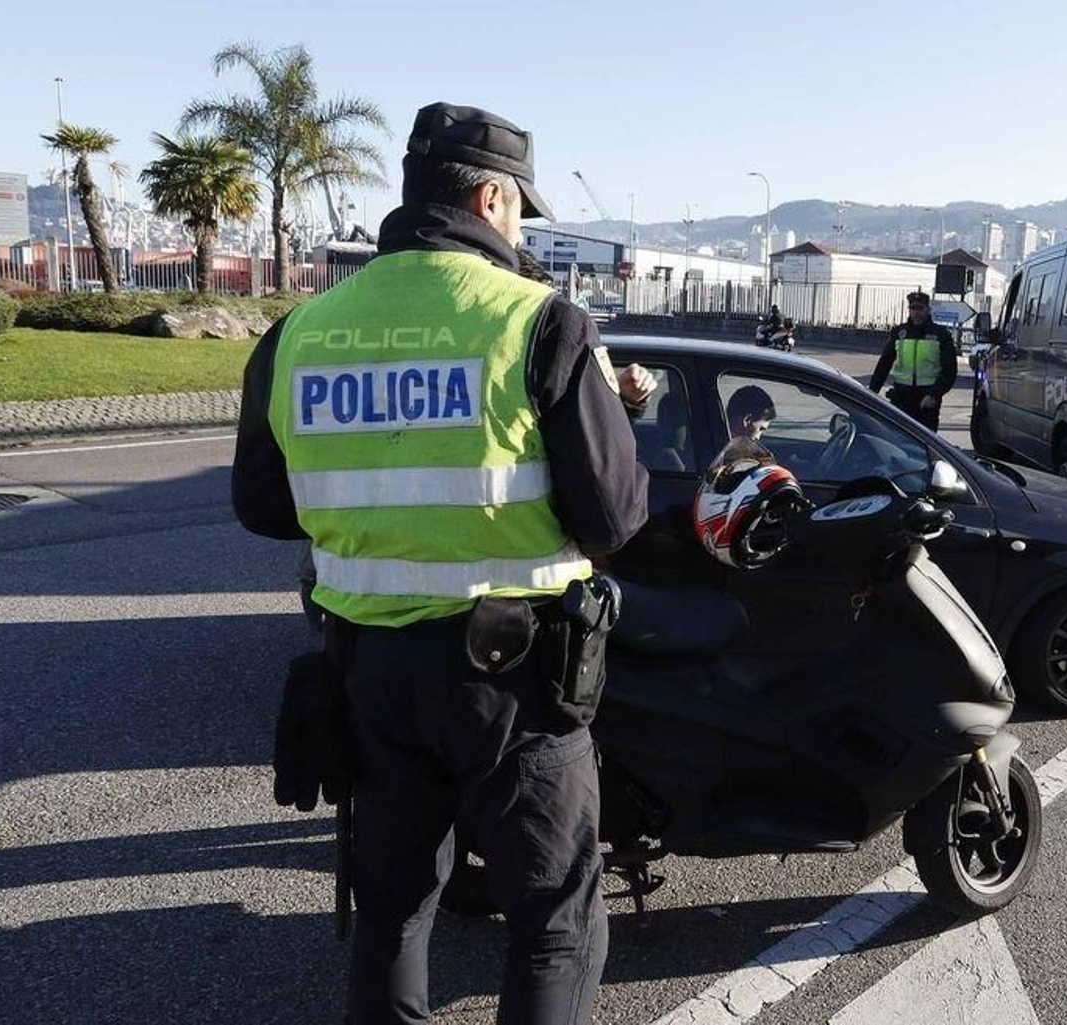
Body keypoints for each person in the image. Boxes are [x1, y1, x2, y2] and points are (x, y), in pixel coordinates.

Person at [231, 102, 651, 1025]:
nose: (519, 230)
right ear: (491, 196)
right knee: (553, 921)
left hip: (367, 675)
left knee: (391, 912)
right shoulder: (542, 322)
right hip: (517, 686)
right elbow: (615, 518)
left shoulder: (303, 329)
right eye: (520, 212)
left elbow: (262, 505)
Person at [868, 290, 958, 431]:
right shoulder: (899, 332)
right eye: (913, 308)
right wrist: (872, 392)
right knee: (897, 438)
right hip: (901, 396)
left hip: (926, 398)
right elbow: (884, 363)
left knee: (925, 442)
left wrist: (934, 395)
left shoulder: (940, 334)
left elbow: (950, 370)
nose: (916, 312)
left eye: (920, 308)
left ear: (928, 309)